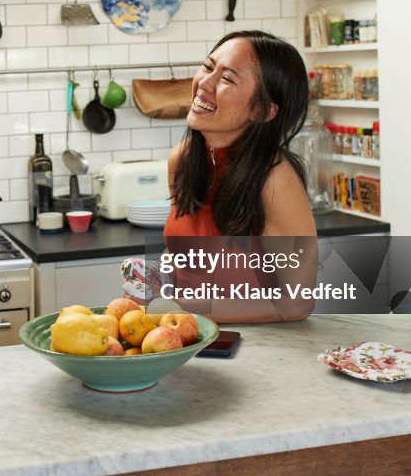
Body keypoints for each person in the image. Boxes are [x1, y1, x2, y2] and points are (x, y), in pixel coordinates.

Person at [126, 30, 317, 323]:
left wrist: (188, 307)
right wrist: (159, 277)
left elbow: (296, 305)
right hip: (187, 339)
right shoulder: (184, 158)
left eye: (227, 79)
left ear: (263, 111)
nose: (205, 83)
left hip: (260, 351)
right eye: (207, 66)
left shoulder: (274, 180)